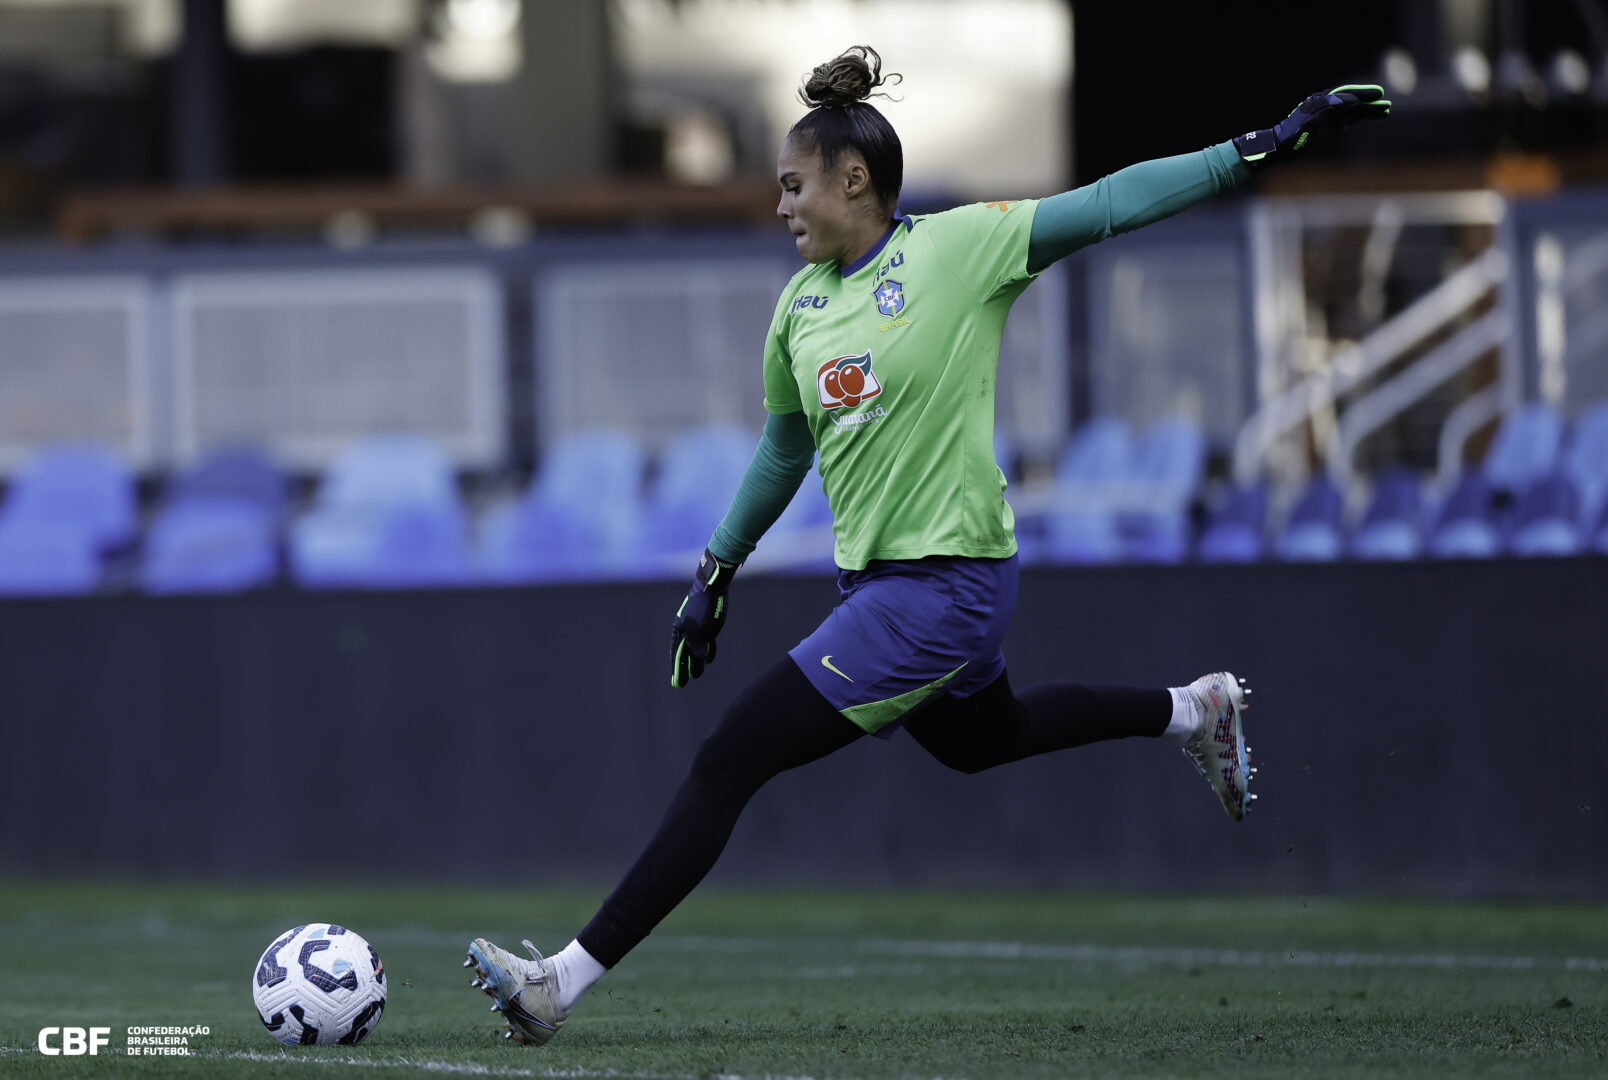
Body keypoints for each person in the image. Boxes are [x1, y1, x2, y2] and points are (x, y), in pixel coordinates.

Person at [462, 46, 1390, 1044]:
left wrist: (1253, 150)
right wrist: (715, 568)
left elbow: (1110, 201)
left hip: (945, 585)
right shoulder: (802, 307)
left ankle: (563, 979)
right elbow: (784, 450)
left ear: (851, 180)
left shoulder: (959, 251)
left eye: (791, 185)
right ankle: (1190, 710)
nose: (779, 207)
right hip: (888, 588)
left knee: (731, 756)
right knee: (983, 742)